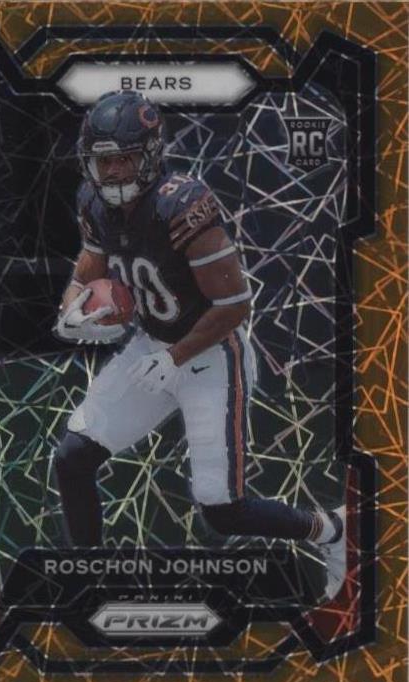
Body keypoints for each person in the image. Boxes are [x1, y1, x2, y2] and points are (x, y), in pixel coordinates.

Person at [53, 90, 346, 600]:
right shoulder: (93, 201)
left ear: (150, 154)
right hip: (153, 346)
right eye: (104, 161)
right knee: (72, 458)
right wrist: (72, 312)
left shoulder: (181, 203)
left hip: (210, 355)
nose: (114, 171)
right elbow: (87, 269)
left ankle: (332, 531)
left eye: (124, 158)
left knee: (221, 510)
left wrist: (175, 357)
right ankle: (89, 579)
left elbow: (234, 305)